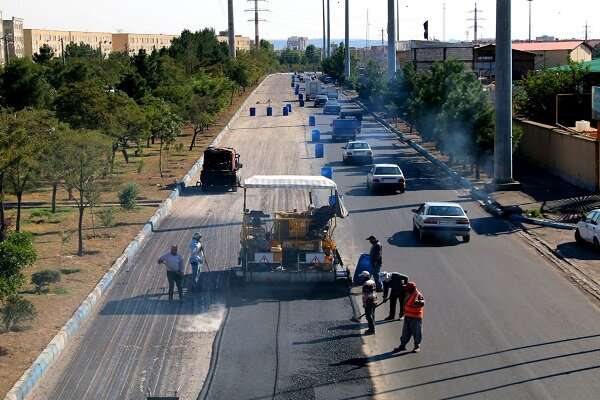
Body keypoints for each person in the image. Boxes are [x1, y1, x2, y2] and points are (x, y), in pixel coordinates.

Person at [394, 282, 425, 353]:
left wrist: (418, 303)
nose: (405, 290)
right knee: (405, 332)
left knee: (417, 332)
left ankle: (417, 346)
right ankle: (402, 346)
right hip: (408, 316)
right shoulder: (409, 293)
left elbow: (422, 302)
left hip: (415, 317)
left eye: (407, 288)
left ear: (411, 289)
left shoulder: (418, 295)